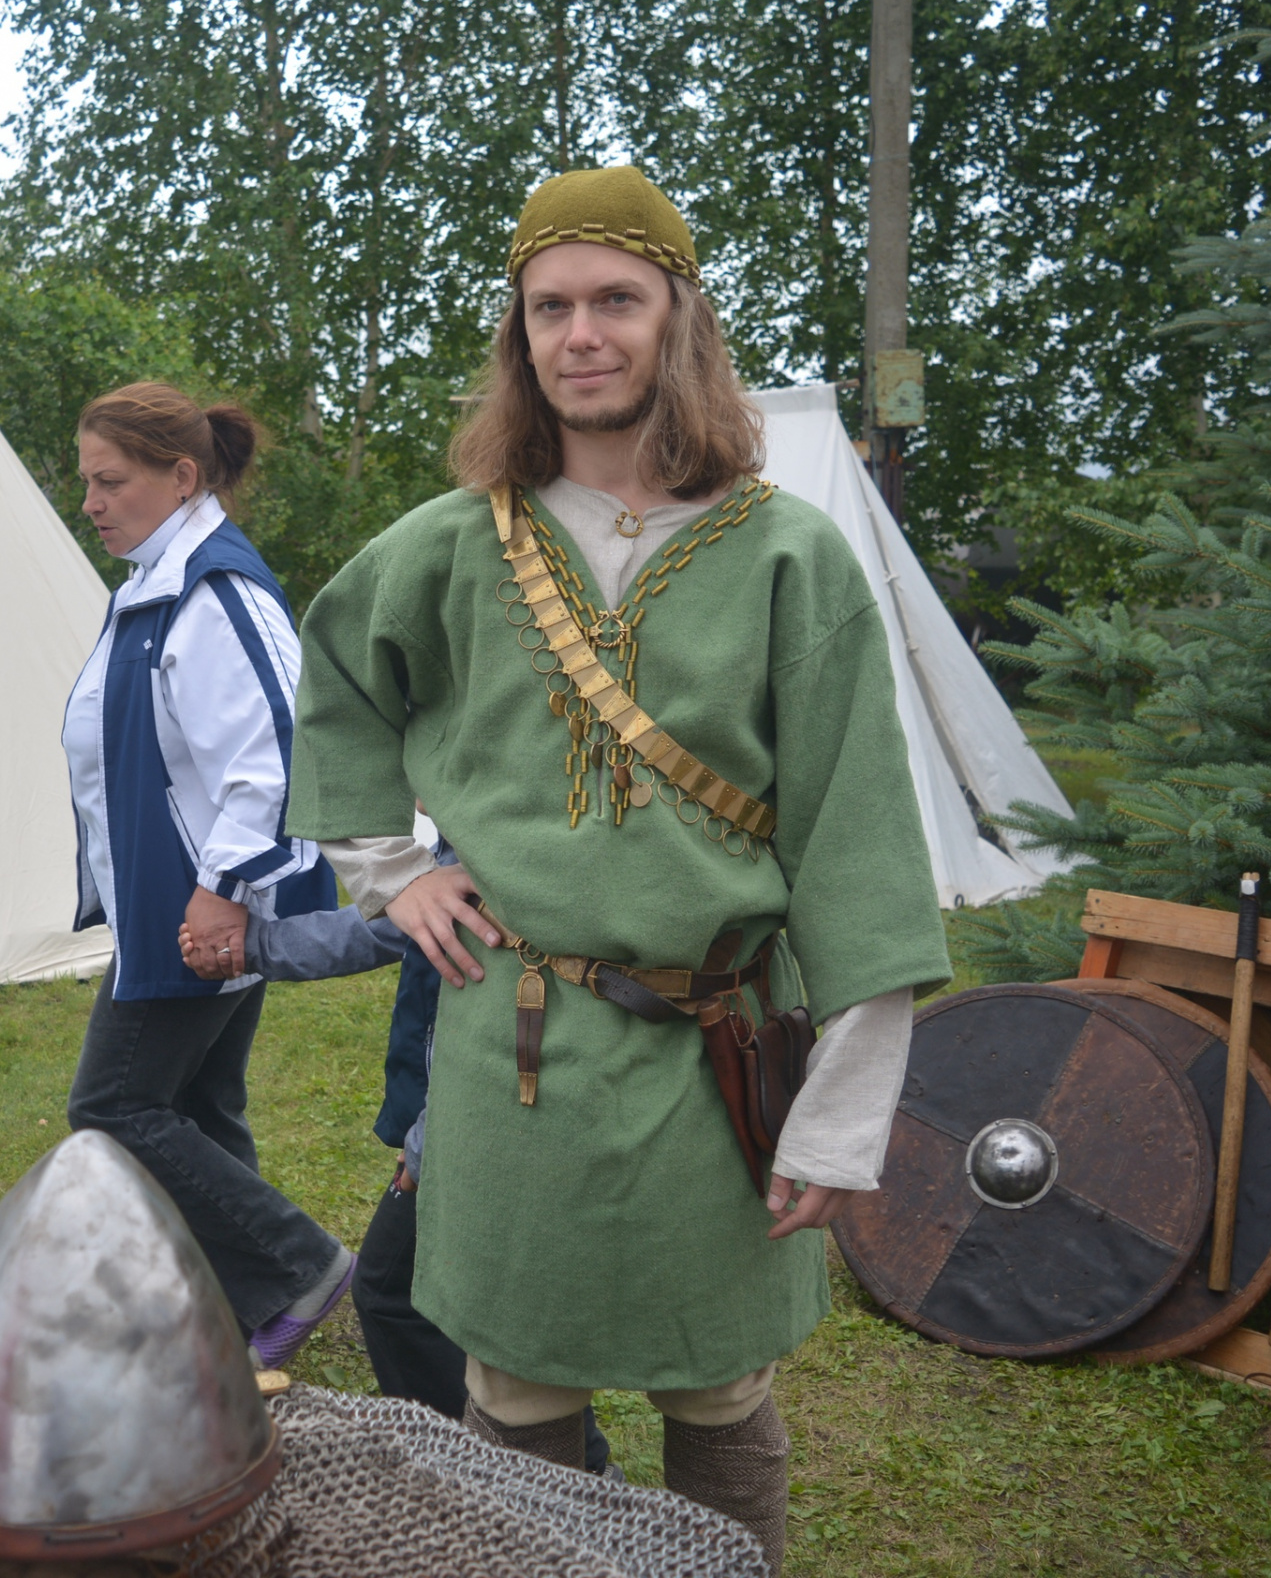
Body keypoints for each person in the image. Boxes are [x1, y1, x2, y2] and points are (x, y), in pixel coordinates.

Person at [284, 168, 950, 1571]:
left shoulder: (789, 556)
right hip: (515, 1041)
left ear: (676, 320)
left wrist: (842, 1112)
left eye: (614, 302)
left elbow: (857, 831)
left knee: (720, 1386)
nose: (580, 334)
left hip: (720, 1049)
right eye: (550, 308)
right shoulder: (452, 543)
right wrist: (389, 870)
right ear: (519, 336)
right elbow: (335, 678)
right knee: (516, 1384)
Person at [60, 381, 355, 1368]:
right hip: (179, 901)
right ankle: (233, 1304)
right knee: (198, 1103)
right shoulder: (159, 584)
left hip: (201, 909)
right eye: (87, 483)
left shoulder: (213, 592)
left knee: (114, 1104)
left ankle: (298, 1267)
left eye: (111, 482)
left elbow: (275, 752)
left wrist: (221, 889)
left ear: (181, 476)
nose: (92, 503)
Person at [180, 832, 618, 1477]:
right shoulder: (470, 845)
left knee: (397, 1292)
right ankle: (560, 1472)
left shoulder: (500, 851)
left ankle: (485, 1476)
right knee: (479, 1305)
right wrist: (251, 946)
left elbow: (497, 1026)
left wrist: (423, 1153)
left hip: (484, 1123)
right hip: (456, 1123)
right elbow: (383, 929)